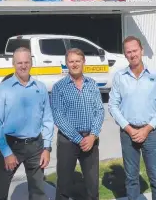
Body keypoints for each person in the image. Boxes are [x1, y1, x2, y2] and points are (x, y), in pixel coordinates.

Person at [108, 36, 156, 200]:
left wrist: (147, 128)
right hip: (128, 134)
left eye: (135, 50)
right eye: (128, 52)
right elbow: (113, 105)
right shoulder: (120, 77)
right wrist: (128, 128)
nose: (132, 54)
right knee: (131, 179)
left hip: (150, 133)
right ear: (125, 55)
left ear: (141, 51)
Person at [0, 47, 54, 200]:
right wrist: (6, 152)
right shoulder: (3, 89)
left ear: (31, 63)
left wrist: (47, 148)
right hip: (12, 145)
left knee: (38, 192)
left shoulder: (40, 88)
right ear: (13, 64)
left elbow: (47, 119)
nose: (23, 66)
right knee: (0, 191)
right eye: (19, 63)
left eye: (26, 62)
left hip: (36, 146)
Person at [50, 48, 105, 200]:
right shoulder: (59, 87)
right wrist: (79, 139)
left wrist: (93, 135)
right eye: (71, 61)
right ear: (66, 63)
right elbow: (58, 117)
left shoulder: (92, 84)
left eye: (77, 61)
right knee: (64, 184)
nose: (74, 64)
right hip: (68, 141)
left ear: (83, 62)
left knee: (92, 185)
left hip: (91, 140)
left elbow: (99, 111)